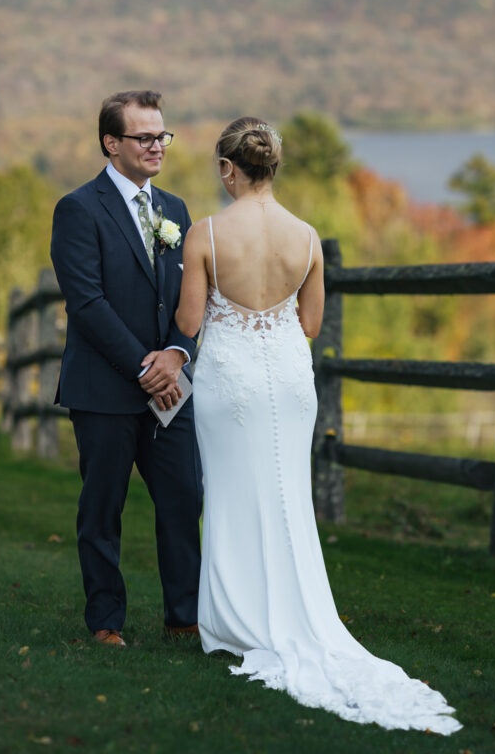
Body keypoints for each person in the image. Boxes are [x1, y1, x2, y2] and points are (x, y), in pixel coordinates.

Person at [175, 117, 462, 735]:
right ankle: (295, 613)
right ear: (272, 167)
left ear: (228, 168)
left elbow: (190, 322)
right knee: (288, 496)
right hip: (288, 379)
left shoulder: (205, 234)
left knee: (231, 495)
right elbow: (309, 324)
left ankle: (236, 621)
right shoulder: (307, 238)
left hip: (230, 380)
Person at [50, 90, 202, 648]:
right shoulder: (78, 208)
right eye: (144, 137)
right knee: (103, 508)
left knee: (184, 499)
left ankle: (184, 617)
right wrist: (145, 366)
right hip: (104, 388)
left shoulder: (176, 210)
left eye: (162, 135)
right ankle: (105, 621)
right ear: (111, 143)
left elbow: (192, 296)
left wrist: (177, 355)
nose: (157, 145)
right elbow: (86, 302)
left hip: (171, 389)